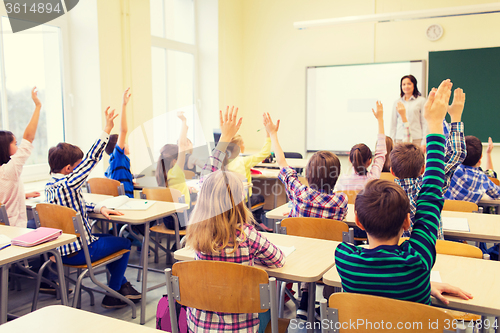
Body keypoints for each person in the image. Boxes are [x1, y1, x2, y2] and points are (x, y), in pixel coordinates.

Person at [335, 79, 471, 304]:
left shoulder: (345, 259)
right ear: (408, 221)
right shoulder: (418, 262)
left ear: (358, 220)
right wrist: (436, 124)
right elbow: (430, 197)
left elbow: (430, 196)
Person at [185, 106, 285, 333]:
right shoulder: (247, 235)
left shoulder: (196, 233)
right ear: (240, 200)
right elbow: (278, 260)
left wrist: (225, 138)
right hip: (239, 329)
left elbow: (206, 181)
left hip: (199, 327)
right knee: (268, 299)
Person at [45, 107, 141, 309]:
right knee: (124, 244)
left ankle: (121, 285)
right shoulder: (69, 183)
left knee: (110, 240)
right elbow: (91, 159)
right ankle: (113, 293)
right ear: (70, 169)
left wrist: (99, 207)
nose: (82, 170)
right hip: (80, 250)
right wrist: (107, 128)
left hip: (60, 251)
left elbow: (73, 206)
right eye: (78, 166)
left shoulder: (51, 187)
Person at [263, 111, 347, 320]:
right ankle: (327, 303)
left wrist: (273, 134)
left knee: (305, 244)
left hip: (300, 258)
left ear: (308, 174)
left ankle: (304, 298)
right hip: (329, 261)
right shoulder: (341, 201)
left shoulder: (299, 193)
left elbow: (283, 164)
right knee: (327, 250)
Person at [391, 87, 466, 239]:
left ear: (391, 170)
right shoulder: (430, 187)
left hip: (397, 259)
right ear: (423, 169)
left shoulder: (384, 196)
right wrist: (455, 116)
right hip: (432, 258)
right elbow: (456, 153)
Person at [0, 87, 41, 228]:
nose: (18, 147)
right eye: (15, 143)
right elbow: (28, 138)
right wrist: (38, 106)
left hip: (4, 230)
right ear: (4, 148)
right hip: (16, 229)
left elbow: (4, 198)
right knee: (43, 222)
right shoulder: (9, 170)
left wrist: (23, 194)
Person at [225, 126, 272, 232]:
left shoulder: (224, 162)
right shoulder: (244, 161)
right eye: (243, 143)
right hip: (244, 201)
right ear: (237, 147)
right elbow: (264, 154)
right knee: (260, 197)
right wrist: (268, 136)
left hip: (229, 202)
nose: (244, 145)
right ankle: (257, 222)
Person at [336, 101, 386, 191]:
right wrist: (380, 119)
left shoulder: (343, 181)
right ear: (369, 161)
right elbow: (380, 153)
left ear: (350, 160)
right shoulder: (372, 180)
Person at [156, 112, 195, 207]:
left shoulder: (161, 173)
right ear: (174, 161)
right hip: (183, 215)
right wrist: (183, 120)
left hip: (169, 214)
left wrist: (185, 186)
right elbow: (181, 145)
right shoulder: (176, 172)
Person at [445, 135, 500, 203]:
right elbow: (497, 194)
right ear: (481, 157)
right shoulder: (483, 179)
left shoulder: (451, 170)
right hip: (468, 213)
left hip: (445, 211)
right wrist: (488, 153)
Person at [104, 88, 134, 198]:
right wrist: (124, 105)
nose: (127, 144)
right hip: (126, 203)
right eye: (124, 142)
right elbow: (123, 130)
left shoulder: (113, 164)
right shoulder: (118, 157)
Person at [390, 74, 427, 146]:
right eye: (403, 84)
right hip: (400, 139)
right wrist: (392, 141)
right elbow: (393, 124)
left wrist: (424, 141)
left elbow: (424, 122)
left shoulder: (421, 101)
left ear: (414, 85)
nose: (406, 86)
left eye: (409, 84)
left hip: (416, 138)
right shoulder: (397, 102)